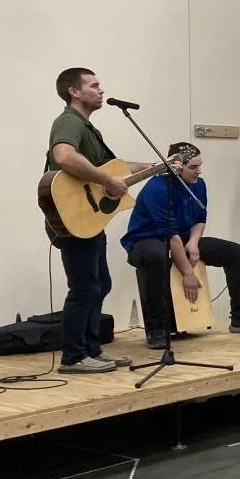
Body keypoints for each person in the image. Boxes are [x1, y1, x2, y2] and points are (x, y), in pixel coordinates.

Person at [45, 68, 156, 373]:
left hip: (91, 219)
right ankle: (73, 357)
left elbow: (116, 169)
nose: (101, 90)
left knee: (99, 284)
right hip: (73, 218)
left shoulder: (89, 129)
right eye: (94, 85)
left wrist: (155, 166)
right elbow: (64, 157)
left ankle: (91, 349)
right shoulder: (69, 121)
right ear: (74, 92)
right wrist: (106, 179)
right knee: (84, 286)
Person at [121, 143, 240, 348]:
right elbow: (171, 236)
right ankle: (157, 329)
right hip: (146, 239)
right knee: (156, 256)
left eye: (200, 166)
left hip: (182, 237)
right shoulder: (157, 189)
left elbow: (200, 218)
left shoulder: (198, 184)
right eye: (193, 167)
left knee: (235, 252)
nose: (199, 171)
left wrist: (194, 241)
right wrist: (188, 273)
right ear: (176, 166)